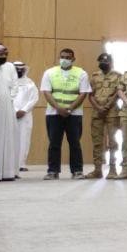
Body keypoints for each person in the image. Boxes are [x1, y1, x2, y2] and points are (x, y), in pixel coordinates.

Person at [40, 48, 91, 180]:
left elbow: (83, 93)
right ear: (59, 58)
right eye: (62, 57)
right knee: (54, 143)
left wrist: (70, 109)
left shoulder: (81, 73)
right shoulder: (50, 72)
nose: (65, 59)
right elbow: (46, 92)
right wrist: (58, 108)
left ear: (73, 59)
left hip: (74, 114)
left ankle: (77, 171)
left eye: (68, 57)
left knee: (75, 143)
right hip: (53, 113)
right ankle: (53, 171)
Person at [87, 53, 122, 179]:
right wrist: (98, 107)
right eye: (101, 61)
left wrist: (107, 106)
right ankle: (97, 170)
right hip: (97, 112)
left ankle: (113, 169)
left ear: (111, 63)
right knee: (97, 142)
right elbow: (90, 94)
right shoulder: (94, 76)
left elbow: (118, 93)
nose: (103, 63)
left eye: (106, 61)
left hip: (112, 112)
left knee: (112, 142)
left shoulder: (118, 76)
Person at [0, 43, 18, 182]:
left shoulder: (10, 67)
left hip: (7, 107)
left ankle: (7, 172)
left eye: (5, 54)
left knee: (8, 137)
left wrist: (10, 98)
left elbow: (15, 84)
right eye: (0, 54)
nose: (3, 57)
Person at [13, 61, 38, 173]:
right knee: (9, 139)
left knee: (24, 138)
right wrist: (14, 110)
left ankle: (21, 164)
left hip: (25, 116)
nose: (19, 71)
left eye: (21, 69)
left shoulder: (30, 83)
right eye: (16, 69)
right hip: (9, 114)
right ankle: (9, 164)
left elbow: (34, 98)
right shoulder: (8, 82)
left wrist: (24, 110)